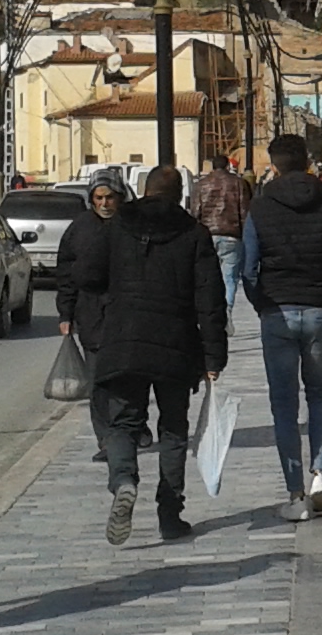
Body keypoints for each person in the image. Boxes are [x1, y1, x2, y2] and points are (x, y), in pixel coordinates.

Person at [80, 164, 227, 545]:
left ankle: (124, 479)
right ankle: (169, 512)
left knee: (123, 423)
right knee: (173, 428)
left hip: (123, 339)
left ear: (143, 190)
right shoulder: (194, 234)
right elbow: (209, 299)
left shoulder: (116, 227)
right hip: (176, 345)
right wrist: (214, 358)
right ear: (180, 194)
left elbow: (89, 275)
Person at [239, 134, 322, 522]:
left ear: (273, 166)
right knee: (320, 394)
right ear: (307, 162)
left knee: (283, 404)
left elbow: (248, 269)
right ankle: (321, 476)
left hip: (278, 311)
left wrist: (262, 305)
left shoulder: (260, 207)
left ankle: (295, 495)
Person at [56, 169, 129, 461]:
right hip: (92, 315)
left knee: (125, 377)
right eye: (99, 198)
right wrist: (66, 313)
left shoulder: (131, 225)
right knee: (98, 379)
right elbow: (66, 274)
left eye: (110, 197)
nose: (105, 203)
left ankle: (129, 429)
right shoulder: (80, 228)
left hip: (126, 313)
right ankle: (106, 439)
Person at [189, 155, 251, 309]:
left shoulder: (201, 185)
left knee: (207, 277)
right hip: (232, 235)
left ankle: (210, 309)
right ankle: (227, 311)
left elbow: (195, 212)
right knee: (229, 278)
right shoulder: (238, 183)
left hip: (207, 235)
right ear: (228, 166)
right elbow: (244, 211)